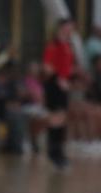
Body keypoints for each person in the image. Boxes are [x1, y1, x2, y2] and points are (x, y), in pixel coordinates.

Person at [43, 18, 77, 168]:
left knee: (62, 118)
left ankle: (59, 152)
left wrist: (69, 78)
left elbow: (69, 66)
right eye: (68, 27)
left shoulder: (68, 45)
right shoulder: (53, 45)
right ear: (61, 28)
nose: (70, 30)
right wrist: (59, 79)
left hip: (64, 85)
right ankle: (53, 153)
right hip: (55, 86)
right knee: (55, 118)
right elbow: (47, 67)